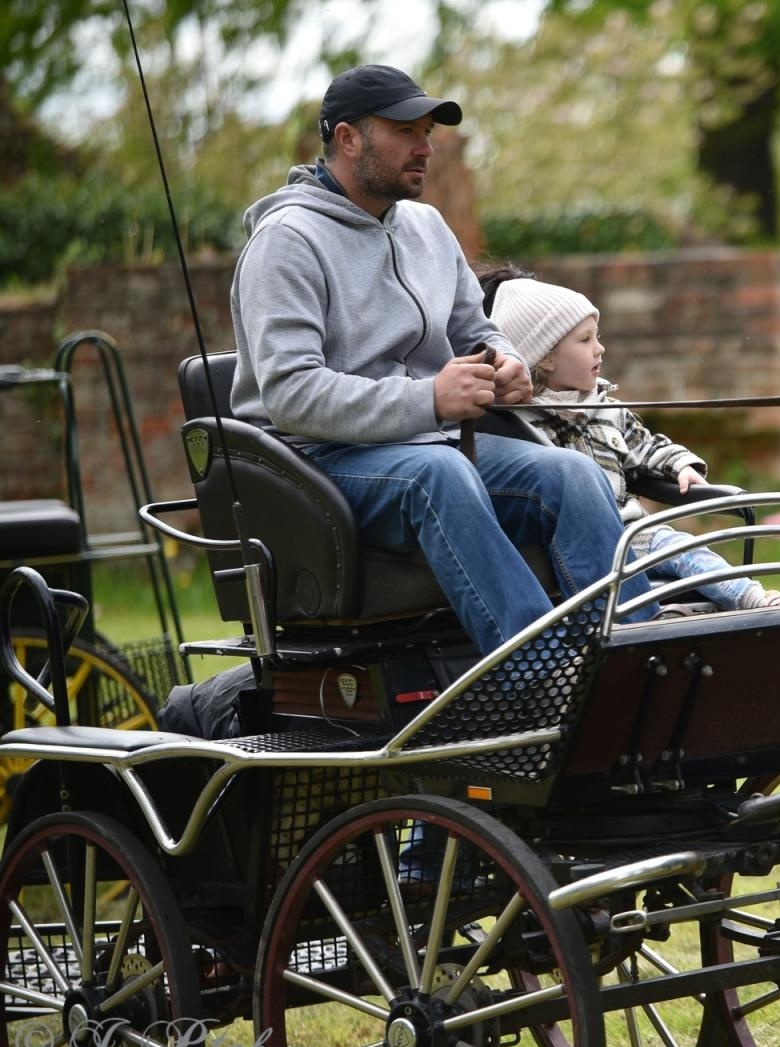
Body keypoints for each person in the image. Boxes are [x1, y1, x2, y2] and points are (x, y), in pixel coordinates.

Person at [229, 65, 656, 658]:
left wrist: (506, 366)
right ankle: (540, 676)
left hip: (432, 447)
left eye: (427, 132)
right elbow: (291, 393)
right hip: (320, 465)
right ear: (348, 139)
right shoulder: (286, 242)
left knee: (572, 475)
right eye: (406, 132)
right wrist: (429, 400)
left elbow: (475, 331)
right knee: (441, 477)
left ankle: (639, 657)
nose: (426, 149)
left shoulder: (428, 227)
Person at [479, 267, 780, 611]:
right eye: (585, 339)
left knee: (684, 549)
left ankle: (757, 600)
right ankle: (748, 600)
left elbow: (647, 446)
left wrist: (681, 464)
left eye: (597, 336)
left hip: (636, 532)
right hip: (582, 544)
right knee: (681, 551)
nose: (600, 348)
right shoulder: (518, 422)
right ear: (544, 356)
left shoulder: (608, 410)